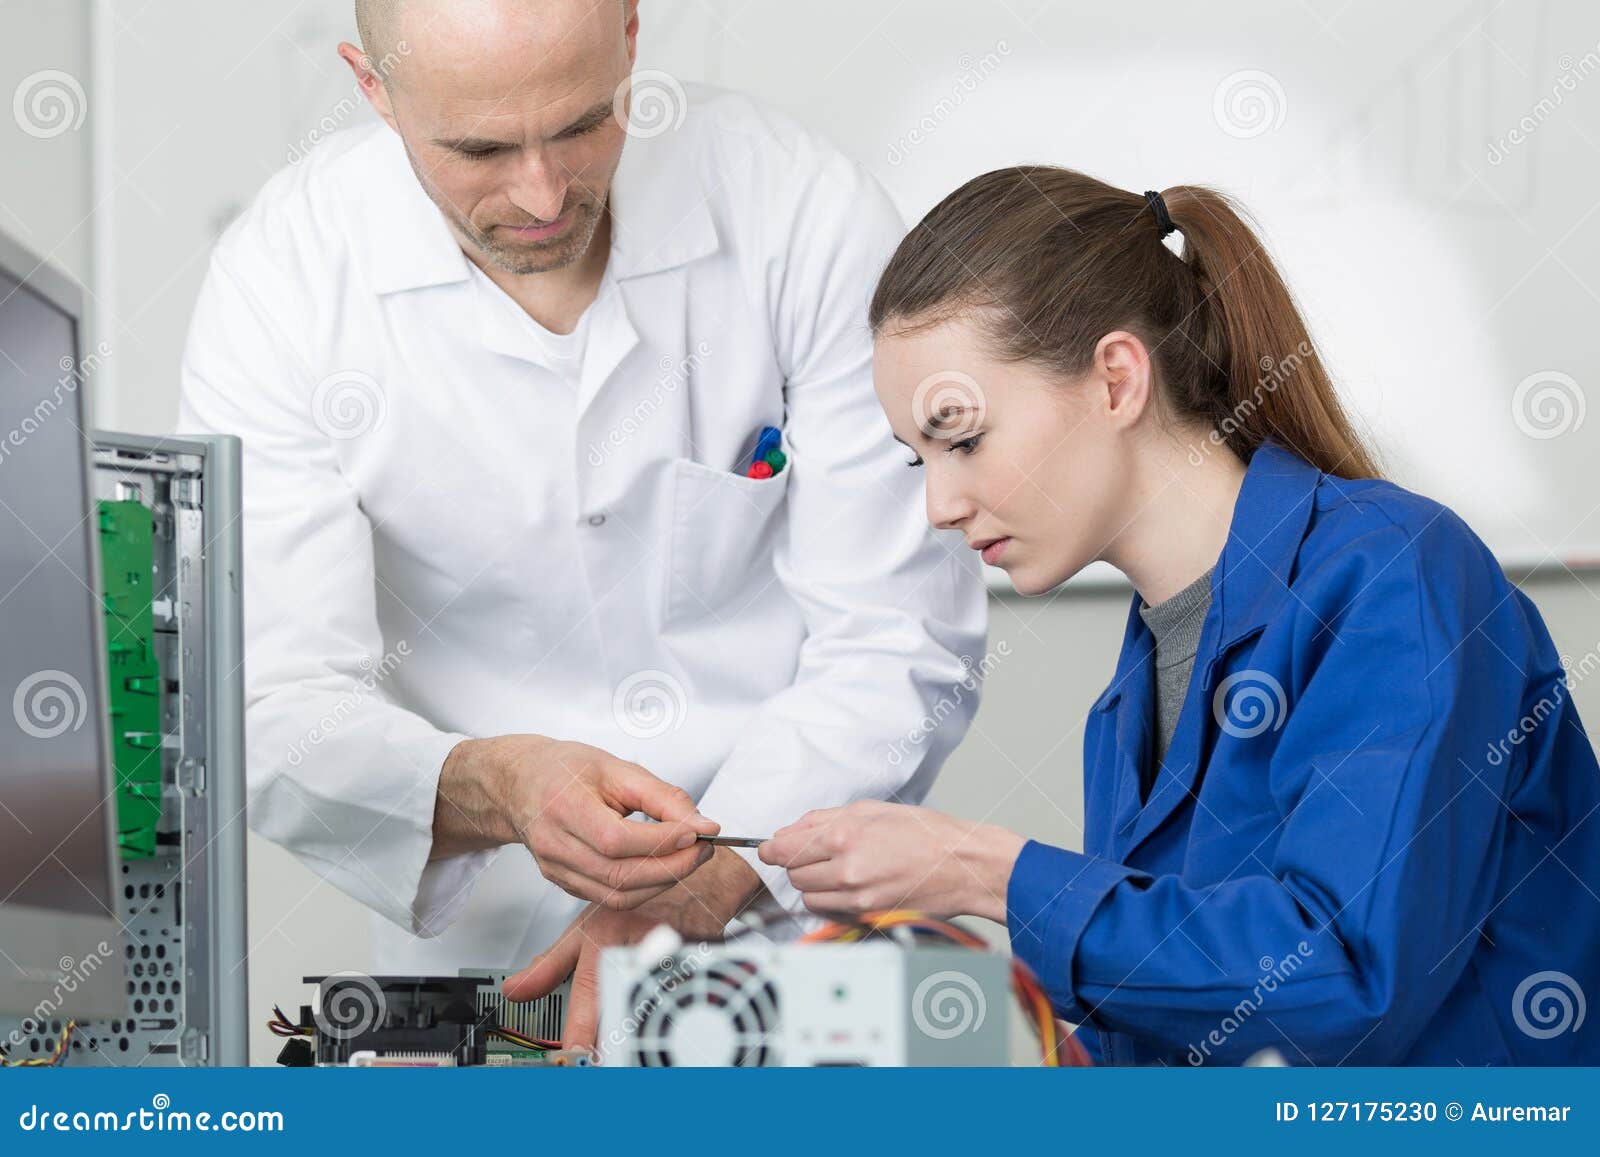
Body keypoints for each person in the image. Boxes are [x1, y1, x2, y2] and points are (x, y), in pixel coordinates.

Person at [177, 0, 984, 1045]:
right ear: (372, 88)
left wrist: (692, 886)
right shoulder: (283, 277)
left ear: (631, 39)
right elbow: (267, 697)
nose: (543, 193)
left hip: (794, 923)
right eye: (478, 148)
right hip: (490, 968)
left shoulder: (797, 208)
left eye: (579, 125)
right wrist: (500, 782)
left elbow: (899, 632)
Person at [761, 166, 1600, 1065]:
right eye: (916, 459)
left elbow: (1346, 976)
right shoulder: (1131, 701)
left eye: (962, 439)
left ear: (1118, 379)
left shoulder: (1398, 577)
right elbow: (1185, 1017)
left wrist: (984, 869)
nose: (940, 505)